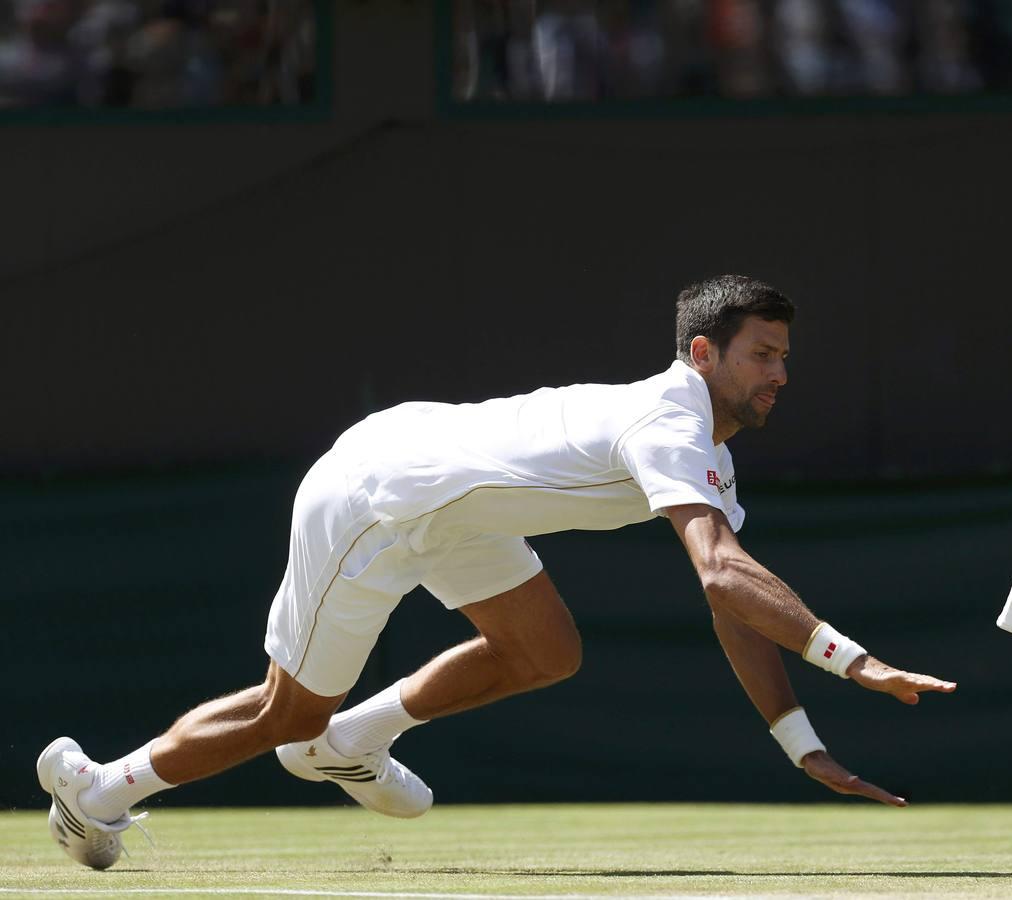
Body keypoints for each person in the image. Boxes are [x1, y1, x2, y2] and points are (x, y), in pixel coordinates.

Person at [37, 274, 956, 869]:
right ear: (703, 353)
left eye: (786, 358)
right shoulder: (671, 420)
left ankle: (351, 741)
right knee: (289, 710)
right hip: (379, 493)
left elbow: (732, 602)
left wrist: (802, 745)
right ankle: (100, 790)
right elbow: (722, 577)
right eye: (764, 355)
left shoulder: (704, 452)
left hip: (453, 505)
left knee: (545, 649)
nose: (780, 375)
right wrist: (855, 661)